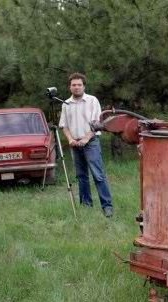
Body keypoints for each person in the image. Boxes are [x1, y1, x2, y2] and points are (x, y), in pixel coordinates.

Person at [59, 72, 114, 217]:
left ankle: (107, 207)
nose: (76, 87)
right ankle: (86, 205)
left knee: (98, 175)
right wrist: (70, 139)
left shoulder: (92, 101)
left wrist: (86, 138)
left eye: (79, 85)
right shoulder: (66, 104)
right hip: (75, 144)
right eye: (73, 85)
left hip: (91, 142)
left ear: (84, 86)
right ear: (69, 87)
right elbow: (64, 125)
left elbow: (97, 123)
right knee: (81, 176)